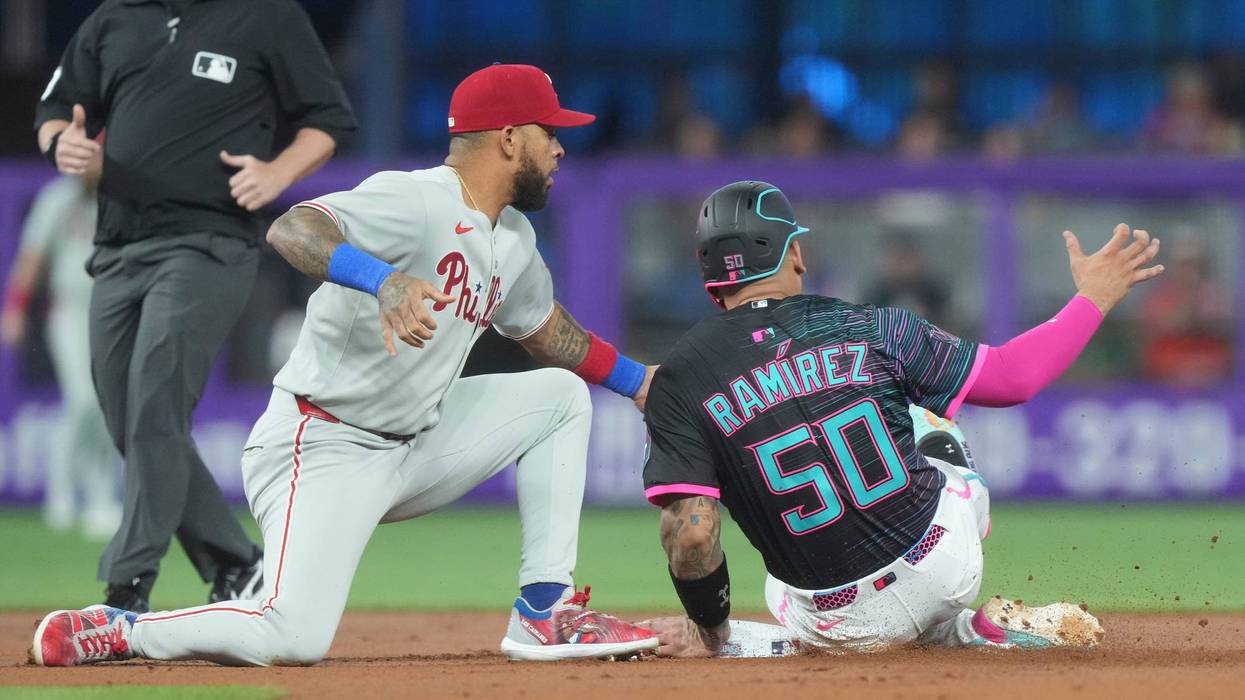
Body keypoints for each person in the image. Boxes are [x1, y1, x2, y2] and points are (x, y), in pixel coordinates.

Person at [31, 63, 659, 667]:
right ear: (509, 137)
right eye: (551, 134)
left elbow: (547, 332)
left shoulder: (514, 239)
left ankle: (545, 610)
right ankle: (120, 629)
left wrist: (639, 384)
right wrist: (382, 281)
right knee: (293, 635)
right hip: (322, 441)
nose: (560, 151)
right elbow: (293, 229)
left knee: (559, 398)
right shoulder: (415, 198)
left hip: (415, 444)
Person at [638, 181, 1163, 656]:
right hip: (944, 567)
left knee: (778, 582)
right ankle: (966, 630)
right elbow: (1012, 379)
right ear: (794, 252)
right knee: (925, 417)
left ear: (709, 276)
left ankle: (742, 644)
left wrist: (709, 631)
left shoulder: (679, 382)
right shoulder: (867, 325)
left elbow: (691, 537)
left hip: (831, 623)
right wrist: (1094, 296)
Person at [33, 0, 357, 612]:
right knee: (130, 418)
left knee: (155, 397)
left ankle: (126, 589)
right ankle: (237, 565)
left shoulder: (267, 16)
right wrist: (63, 144)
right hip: (118, 246)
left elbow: (327, 120)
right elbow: (55, 112)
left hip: (209, 243)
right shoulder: (115, 17)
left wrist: (277, 172)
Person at [2, 171, 121, 540]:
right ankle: (64, 494)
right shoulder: (58, 197)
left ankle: (99, 498)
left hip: (113, 310)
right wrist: (15, 306)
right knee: (83, 400)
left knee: (106, 405)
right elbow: (33, 256)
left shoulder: (122, 195)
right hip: (68, 308)